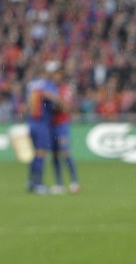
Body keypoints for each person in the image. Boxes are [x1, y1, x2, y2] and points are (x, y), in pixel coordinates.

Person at [25, 61, 60, 194]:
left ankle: (31, 182)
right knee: (41, 153)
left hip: (31, 121)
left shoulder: (31, 85)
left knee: (35, 153)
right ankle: (39, 184)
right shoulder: (47, 85)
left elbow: (29, 103)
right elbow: (54, 99)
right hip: (42, 122)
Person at [49, 63, 80, 194]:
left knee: (66, 153)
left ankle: (74, 181)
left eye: (58, 73)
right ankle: (59, 184)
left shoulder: (65, 89)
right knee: (55, 155)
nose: (56, 76)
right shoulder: (48, 88)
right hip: (50, 125)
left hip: (62, 125)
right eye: (54, 74)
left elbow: (66, 107)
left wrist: (56, 104)